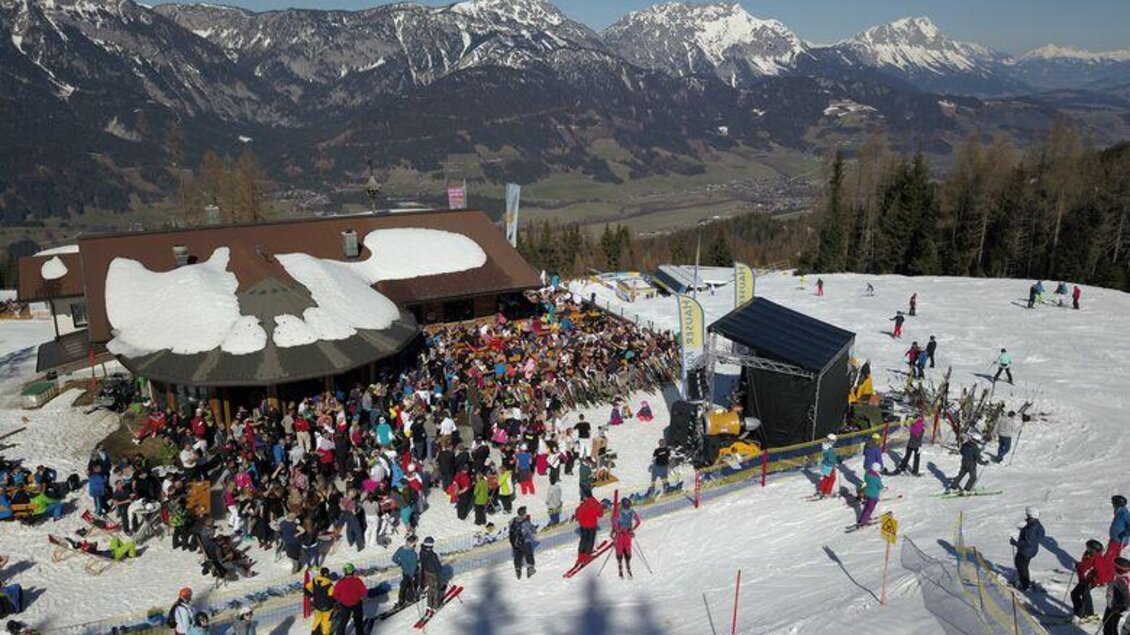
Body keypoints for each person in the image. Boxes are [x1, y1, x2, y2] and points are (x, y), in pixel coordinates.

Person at [1010, 507, 1044, 591]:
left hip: (1026, 551)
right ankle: (1024, 582)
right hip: (1032, 550)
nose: (1027, 516)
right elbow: (1040, 535)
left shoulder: (1032, 527)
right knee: (1023, 565)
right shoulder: (1037, 525)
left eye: (1028, 515)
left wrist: (1015, 543)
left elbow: (1027, 542)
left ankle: (1024, 585)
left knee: (1021, 565)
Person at [1071, 540, 1105, 623]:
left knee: (1085, 594)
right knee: (1075, 593)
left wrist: (1094, 579)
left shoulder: (1098, 559)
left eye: (1089, 548)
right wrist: (1079, 566)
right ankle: (1081, 613)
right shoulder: (1087, 554)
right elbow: (1085, 565)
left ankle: (1085, 615)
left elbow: (1100, 572)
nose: (1087, 549)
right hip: (1084, 579)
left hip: (1091, 580)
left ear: (1094, 550)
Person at [331, 563, 366, 635]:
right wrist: (359, 595)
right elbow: (364, 592)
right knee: (358, 621)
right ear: (352, 571)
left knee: (343, 621)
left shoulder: (340, 582)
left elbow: (335, 595)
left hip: (345, 605)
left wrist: (341, 599)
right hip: (356, 603)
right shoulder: (357, 580)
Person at [613, 499, 641, 579]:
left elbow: (614, 522)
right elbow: (638, 521)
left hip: (620, 534)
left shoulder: (618, 512)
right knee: (628, 549)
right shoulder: (632, 512)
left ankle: (620, 566)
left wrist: (617, 530)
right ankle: (628, 566)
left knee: (619, 549)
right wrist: (632, 529)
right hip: (628, 533)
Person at [1102, 558, 1130, 635]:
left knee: (1112, 628)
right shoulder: (1117, 577)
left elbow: (1126, 598)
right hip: (1111, 605)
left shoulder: (1122, 581)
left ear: (1119, 570)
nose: (1113, 568)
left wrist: (1121, 607)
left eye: (1115, 567)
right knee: (1106, 623)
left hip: (1116, 608)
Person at [304, 566, 334, 635]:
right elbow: (332, 597)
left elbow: (306, 588)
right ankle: (325, 633)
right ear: (327, 574)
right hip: (327, 608)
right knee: (326, 621)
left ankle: (314, 631)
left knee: (317, 619)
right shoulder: (329, 584)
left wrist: (311, 595)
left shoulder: (314, 580)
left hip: (317, 605)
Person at [575, 493, 604, 564]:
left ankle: (580, 556)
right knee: (590, 541)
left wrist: (579, 519)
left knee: (583, 540)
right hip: (591, 525)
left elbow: (577, 513)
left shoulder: (582, 504)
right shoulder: (594, 503)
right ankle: (587, 556)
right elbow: (600, 514)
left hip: (583, 525)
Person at [508, 506, 536, 579]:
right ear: (523, 514)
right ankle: (530, 569)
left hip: (515, 542)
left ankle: (518, 570)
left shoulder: (513, 520)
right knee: (529, 554)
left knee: (517, 556)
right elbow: (532, 531)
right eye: (525, 512)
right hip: (524, 542)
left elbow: (509, 525)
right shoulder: (525, 522)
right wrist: (532, 526)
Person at [417, 536, 445, 611]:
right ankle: (436, 605)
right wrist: (439, 569)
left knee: (430, 587)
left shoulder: (421, 552)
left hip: (426, 571)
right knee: (436, 588)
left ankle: (429, 604)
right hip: (433, 573)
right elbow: (438, 566)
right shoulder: (433, 555)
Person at [391, 536, 419, 608]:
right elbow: (414, 566)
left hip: (404, 571)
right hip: (412, 573)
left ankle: (401, 600)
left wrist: (400, 563)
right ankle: (410, 599)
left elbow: (394, 558)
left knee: (404, 585)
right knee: (412, 585)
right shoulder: (413, 554)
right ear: (412, 544)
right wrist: (412, 575)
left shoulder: (401, 549)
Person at [856, 463, 883, 527]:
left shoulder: (867, 474)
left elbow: (865, 483)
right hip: (873, 495)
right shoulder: (876, 478)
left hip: (866, 493)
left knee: (866, 507)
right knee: (870, 508)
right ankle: (864, 521)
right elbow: (880, 486)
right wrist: (882, 487)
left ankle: (863, 517)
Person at [1108, 495, 1130, 561]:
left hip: (1120, 541)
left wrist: (1126, 532)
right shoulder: (1118, 511)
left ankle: (1112, 569)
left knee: (1111, 557)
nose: (1112, 504)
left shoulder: (1124, 513)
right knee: (1110, 556)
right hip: (1114, 540)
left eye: (1113, 502)